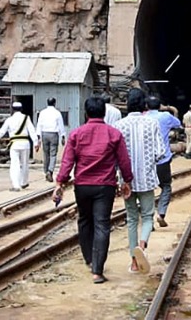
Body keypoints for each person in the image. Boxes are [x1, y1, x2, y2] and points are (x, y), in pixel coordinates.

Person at [53, 95, 132, 285]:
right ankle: (98, 270)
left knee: (84, 221)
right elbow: (124, 161)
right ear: (104, 112)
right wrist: (127, 181)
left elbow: (67, 162)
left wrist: (60, 183)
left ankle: (89, 259)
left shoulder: (76, 134)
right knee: (102, 225)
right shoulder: (114, 134)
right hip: (105, 186)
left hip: (82, 186)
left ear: (86, 113)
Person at [115, 88, 167, 274]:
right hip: (147, 178)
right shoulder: (151, 123)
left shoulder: (119, 125)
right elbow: (161, 152)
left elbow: (115, 155)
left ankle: (134, 262)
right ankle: (142, 246)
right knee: (147, 216)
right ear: (144, 104)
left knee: (131, 219)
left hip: (127, 181)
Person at [146, 96, 182, 227]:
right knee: (166, 186)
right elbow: (178, 124)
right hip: (162, 160)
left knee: (147, 190)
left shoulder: (143, 117)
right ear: (159, 105)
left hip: (146, 160)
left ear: (146, 106)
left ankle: (148, 221)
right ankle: (161, 213)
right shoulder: (166, 116)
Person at [0, 101, 39, 190]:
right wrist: (36, 142)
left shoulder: (9, 120)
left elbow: (2, 131)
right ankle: (24, 182)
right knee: (25, 164)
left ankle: (16, 185)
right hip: (25, 143)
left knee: (15, 164)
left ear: (13, 110)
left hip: (15, 143)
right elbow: (32, 131)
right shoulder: (26, 118)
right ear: (21, 109)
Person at [36, 97, 67, 182]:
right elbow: (61, 125)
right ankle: (50, 171)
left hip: (44, 133)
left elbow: (39, 124)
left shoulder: (42, 112)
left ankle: (46, 171)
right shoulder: (57, 113)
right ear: (54, 103)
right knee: (53, 154)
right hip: (54, 134)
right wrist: (63, 136)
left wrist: (38, 136)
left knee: (46, 154)